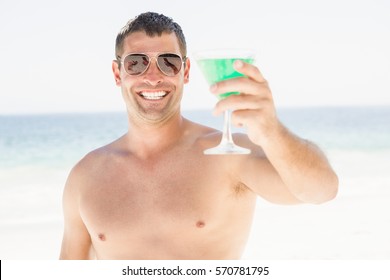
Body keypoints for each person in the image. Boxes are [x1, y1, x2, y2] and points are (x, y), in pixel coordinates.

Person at [59, 12, 338, 260]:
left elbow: (321, 190)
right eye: (136, 63)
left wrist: (272, 131)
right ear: (118, 73)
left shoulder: (227, 156)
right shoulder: (85, 176)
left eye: (168, 62)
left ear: (186, 71)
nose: (153, 77)